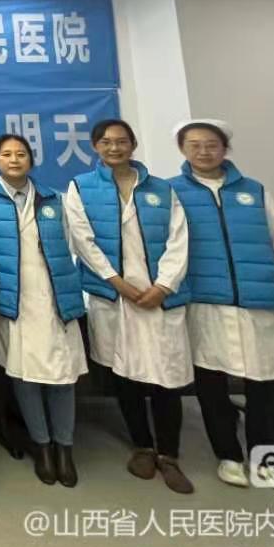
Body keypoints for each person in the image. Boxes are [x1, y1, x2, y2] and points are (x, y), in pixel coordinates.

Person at [169, 119, 274, 495]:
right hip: (205, 302)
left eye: (211, 144)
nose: (203, 151)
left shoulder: (254, 191)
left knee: (264, 384)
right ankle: (228, 456)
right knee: (211, 384)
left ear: (225, 149)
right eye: (195, 145)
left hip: (257, 301)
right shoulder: (172, 192)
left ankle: (269, 462)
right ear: (183, 149)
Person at [65, 119, 194, 495]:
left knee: (167, 376)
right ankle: (142, 446)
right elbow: (82, 240)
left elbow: (179, 240)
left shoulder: (161, 189)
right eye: (106, 142)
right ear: (95, 147)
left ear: (133, 144)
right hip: (113, 295)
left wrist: (163, 285)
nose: (114, 147)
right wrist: (116, 281)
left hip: (159, 296)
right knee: (125, 373)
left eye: (121, 141)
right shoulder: (81, 187)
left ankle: (169, 454)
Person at [0, 133, 87, 487]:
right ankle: (42, 445)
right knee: (24, 375)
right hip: (12, 300)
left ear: (31, 160)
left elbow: (74, 246)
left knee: (63, 376)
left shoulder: (53, 199)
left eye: (21, 154)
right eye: (6, 154)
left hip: (55, 299)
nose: (14, 160)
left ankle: (65, 447)